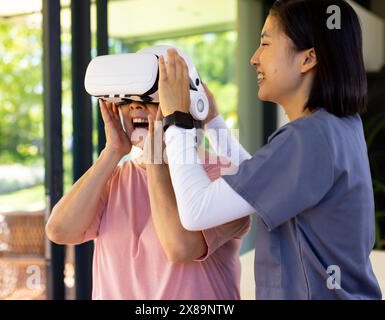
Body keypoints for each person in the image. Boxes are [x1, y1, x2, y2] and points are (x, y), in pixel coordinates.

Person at [157, 0, 382, 299]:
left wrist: (177, 120)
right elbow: (262, 183)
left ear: (308, 59)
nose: (253, 58)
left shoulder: (308, 138)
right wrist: (212, 121)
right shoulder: (340, 126)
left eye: (265, 43)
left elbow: (196, 211)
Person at [45, 97, 251, 299]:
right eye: (126, 100)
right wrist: (112, 151)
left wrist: (156, 159)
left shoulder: (225, 174)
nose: (136, 105)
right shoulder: (114, 178)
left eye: (151, 98)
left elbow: (181, 248)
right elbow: (59, 231)